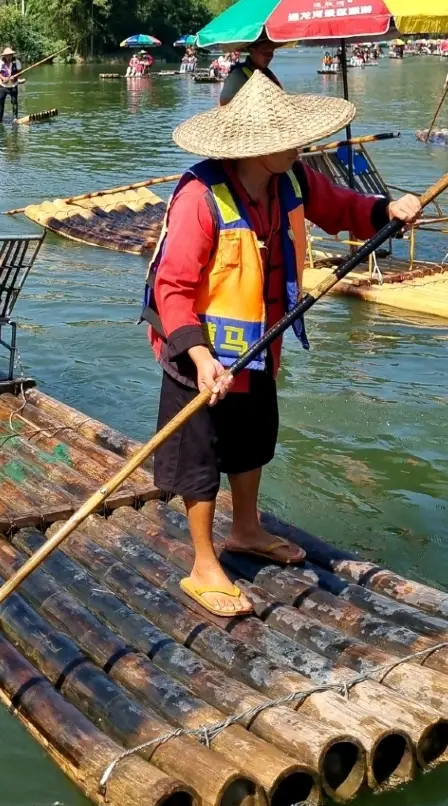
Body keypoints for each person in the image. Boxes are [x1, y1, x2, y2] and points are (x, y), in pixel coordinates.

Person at [141, 72, 422, 617]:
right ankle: (202, 563)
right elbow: (171, 288)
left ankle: (246, 529)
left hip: (258, 345)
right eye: (289, 140)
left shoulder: (291, 179)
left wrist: (387, 210)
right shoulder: (200, 197)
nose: (300, 147)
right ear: (253, 147)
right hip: (194, 353)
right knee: (199, 460)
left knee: (253, 442)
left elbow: (342, 207)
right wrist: (200, 359)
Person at [219, 38, 282, 106]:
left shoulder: (267, 73)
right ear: (252, 51)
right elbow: (224, 104)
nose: (269, 56)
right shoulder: (238, 75)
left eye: (271, 51)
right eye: (264, 51)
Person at [0, 47, 20, 123]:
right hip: (2, 86)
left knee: (14, 102)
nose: (9, 57)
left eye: (10, 55)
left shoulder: (16, 62)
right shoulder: (0, 62)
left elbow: (20, 72)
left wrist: (15, 76)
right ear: (4, 56)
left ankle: (15, 118)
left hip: (13, 85)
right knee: (0, 102)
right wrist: (3, 78)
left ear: (12, 55)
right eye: (7, 55)